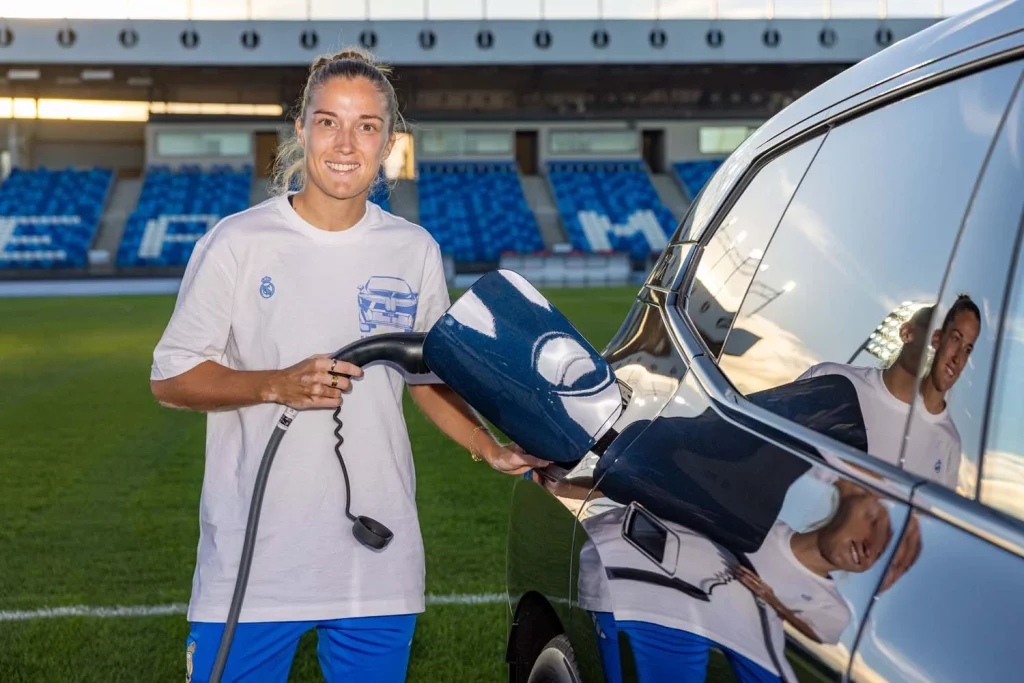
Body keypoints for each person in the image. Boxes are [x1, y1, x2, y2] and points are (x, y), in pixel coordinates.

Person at [149, 47, 547, 683]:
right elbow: (172, 378)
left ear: (388, 142)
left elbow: (429, 375)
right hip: (254, 563)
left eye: (366, 126)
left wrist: (488, 446)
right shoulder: (237, 242)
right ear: (301, 129)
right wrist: (276, 384)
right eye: (328, 121)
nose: (345, 143)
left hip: (376, 555)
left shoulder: (413, 249)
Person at [799, 295, 980, 489]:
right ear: (906, 332)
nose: (938, 344)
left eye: (967, 349)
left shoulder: (949, 442)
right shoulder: (829, 378)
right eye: (952, 338)